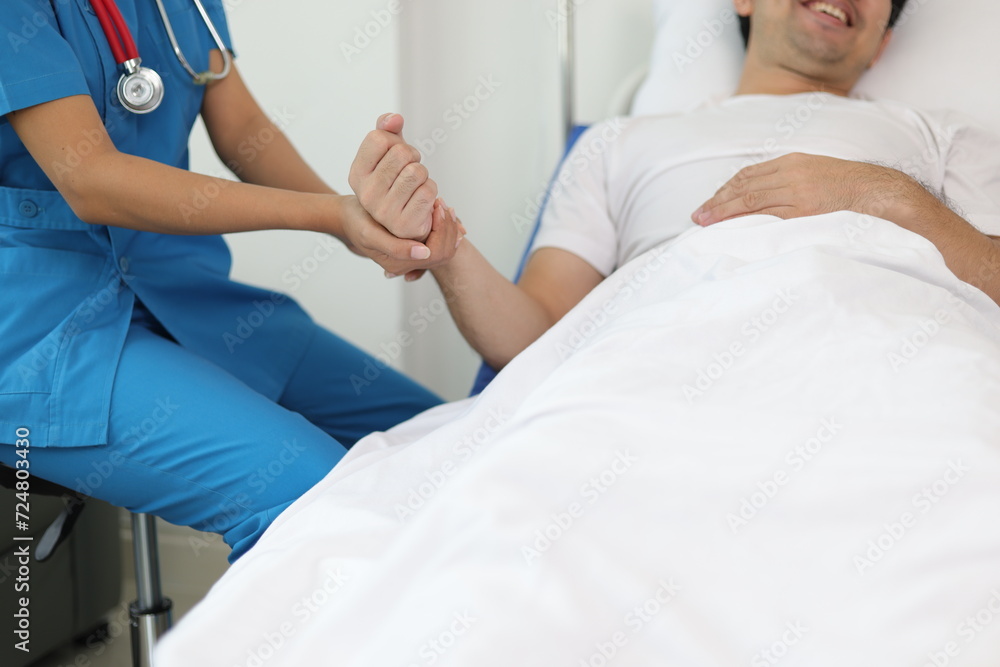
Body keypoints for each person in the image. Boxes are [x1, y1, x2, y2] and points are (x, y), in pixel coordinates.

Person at [0, 0, 462, 561]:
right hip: (43, 333)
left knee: (454, 445)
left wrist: (361, 222)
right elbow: (93, 180)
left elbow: (244, 130)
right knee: (312, 495)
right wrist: (330, 216)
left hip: (182, 292)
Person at [352, 0, 1000, 372]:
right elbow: (535, 341)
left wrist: (886, 198)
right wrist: (446, 249)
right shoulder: (619, 141)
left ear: (882, 43)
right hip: (660, 375)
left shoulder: (938, 137)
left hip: (879, 365)